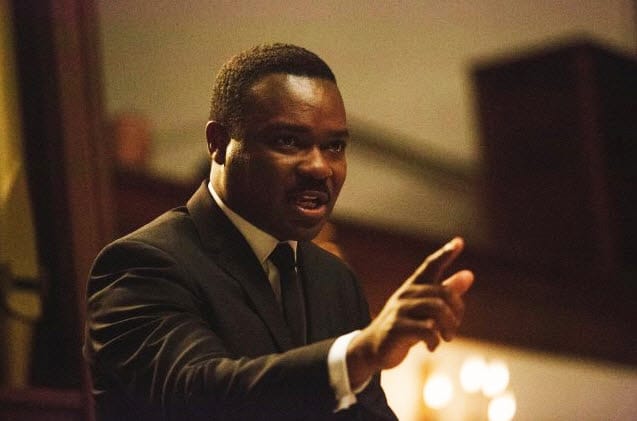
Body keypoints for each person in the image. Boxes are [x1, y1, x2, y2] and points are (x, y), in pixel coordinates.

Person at [84, 43, 474, 420]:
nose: (319, 167)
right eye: (288, 141)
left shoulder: (336, 281)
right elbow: (201, 394)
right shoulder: (143, 264)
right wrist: (360, 352)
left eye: (334, 146)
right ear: (218, 143)